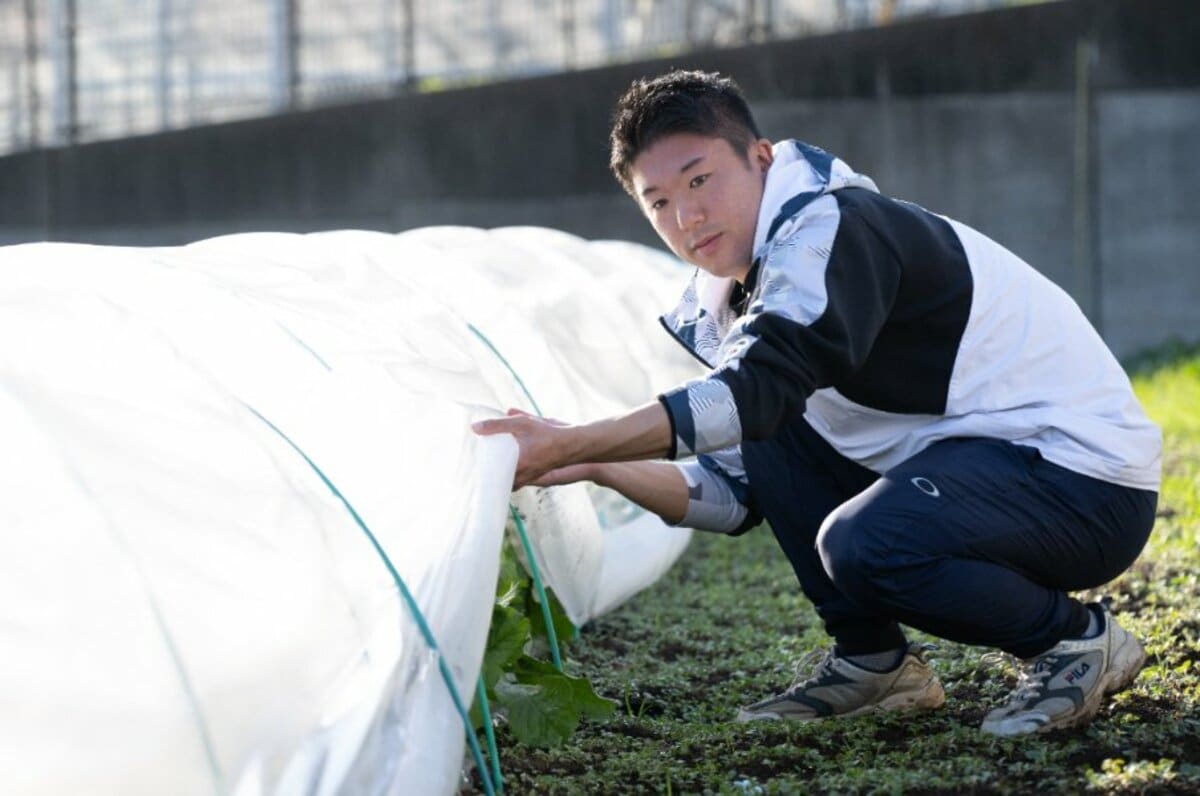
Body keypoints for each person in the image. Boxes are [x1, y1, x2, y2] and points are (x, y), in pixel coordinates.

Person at [473, 69, 1161, 736]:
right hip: (990, 471)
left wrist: (576, 440)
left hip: (1084, 486)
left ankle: (1075, 641)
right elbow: (735, 493)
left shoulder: (832, 227)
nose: (686, 215)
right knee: (777, 425)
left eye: (701, 178)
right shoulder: (741, 297)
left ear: (762, 158)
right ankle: (875, 665)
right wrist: (591, 463)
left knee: (864, 542)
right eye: (657, 201)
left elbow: (748, 396)